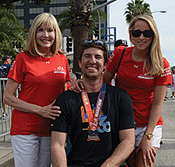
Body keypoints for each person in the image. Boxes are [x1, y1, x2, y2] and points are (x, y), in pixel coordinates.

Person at [71, 15, 172, 167]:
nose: (141, 37)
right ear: (131, 34)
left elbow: (158, 104)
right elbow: (102, 80)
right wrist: (80, 83)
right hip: (121, 122)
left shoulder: (161, 64)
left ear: (154, 35)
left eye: (147, 33)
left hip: (147, 124)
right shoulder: (120, 54)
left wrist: (148, 136)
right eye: (137, 33)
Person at [50, 39, 136, 167]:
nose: (92, 61)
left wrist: (108, 165)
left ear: (106, 64)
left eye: (98, 57)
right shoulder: (66, 99)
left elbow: (128, 141)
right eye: (87, 56)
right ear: (80, 63)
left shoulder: (120, 97)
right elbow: (57, 144)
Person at [3, 13, 71, 167]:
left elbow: (66, 89)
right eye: (41, 30)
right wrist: (41, 110)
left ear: (56, 33)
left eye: (50, 30)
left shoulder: (62, 59)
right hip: (25, 129)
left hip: (52, 128)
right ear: (34, 33)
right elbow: (7, 98)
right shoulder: (23, 58)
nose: (46, 35)